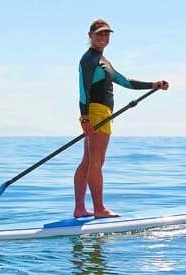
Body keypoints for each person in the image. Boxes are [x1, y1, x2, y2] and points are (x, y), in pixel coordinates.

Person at [73, 19, 169, 219]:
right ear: (90, 36)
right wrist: (85, 119)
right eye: (99, 34)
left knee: (89, 161)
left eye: (106, 34)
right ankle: (99, 209)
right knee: (96, 162)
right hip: (96, 112)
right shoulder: (89, 59)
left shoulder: (103, 61)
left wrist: (154, 84)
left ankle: (80, 209)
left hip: (100, 113)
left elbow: (126, 82)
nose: (103, 38)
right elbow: (83, 91)